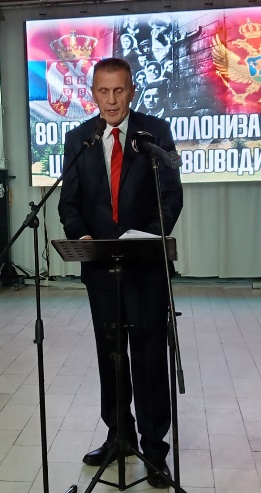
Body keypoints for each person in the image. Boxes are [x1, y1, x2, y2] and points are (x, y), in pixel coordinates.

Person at [58, 58, 183, 488]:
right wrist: (83, 236)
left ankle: (154, 450)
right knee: (110, 356)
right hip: (100, 269)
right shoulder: (79, 139)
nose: (111, 100)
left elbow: (171, 198)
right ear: (93, 93)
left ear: (132, 90)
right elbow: (69, 204)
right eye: (103, 91)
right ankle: (119, 436)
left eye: (119, 90)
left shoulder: (155, 133)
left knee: (149, 358)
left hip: (146, 267)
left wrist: (142, 237)